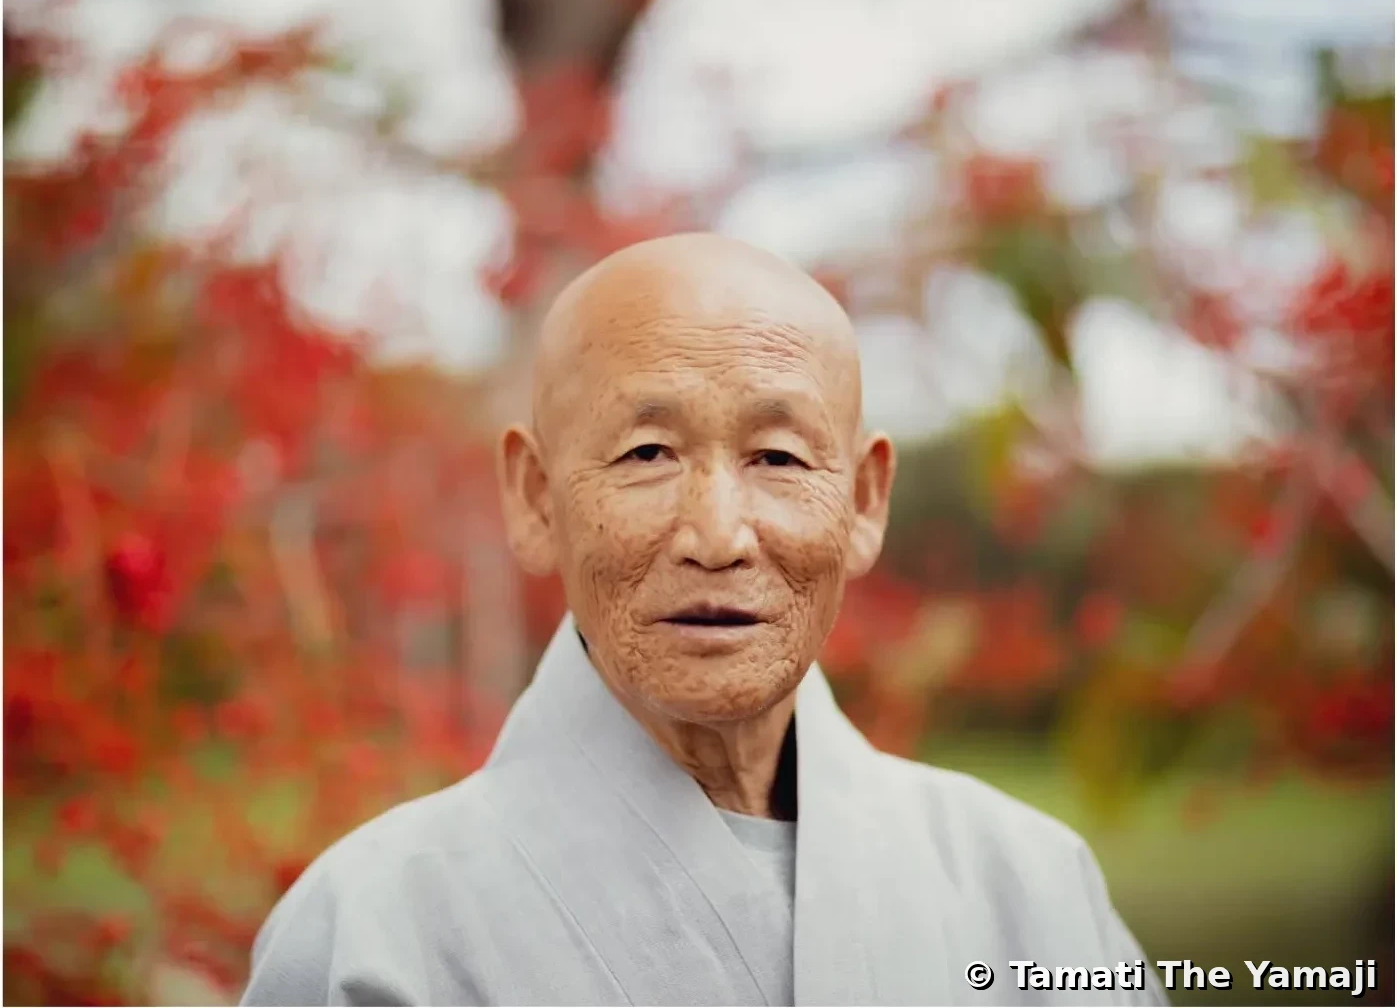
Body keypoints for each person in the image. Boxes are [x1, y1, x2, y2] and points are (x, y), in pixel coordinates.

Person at [241, 234, 1168, 1007]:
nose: (718, 537)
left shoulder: (1029, 887)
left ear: (864, 500)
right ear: (532, 497)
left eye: (778, 457)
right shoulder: (375, 932)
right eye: (646, 453)